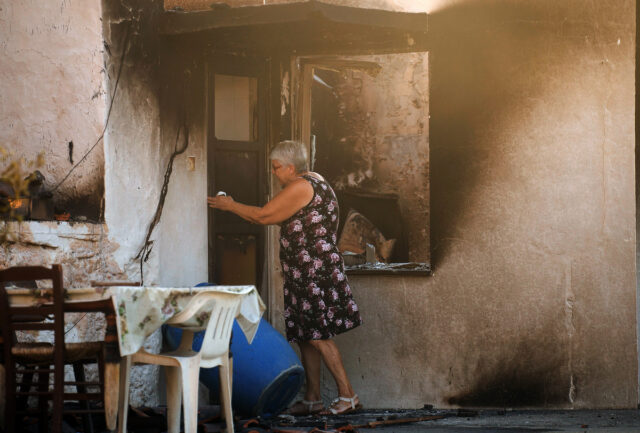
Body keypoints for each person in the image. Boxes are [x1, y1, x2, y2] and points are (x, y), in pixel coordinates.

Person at [207, 140, 363, 415]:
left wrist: (230, 205)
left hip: (313, 271)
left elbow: (263, 216)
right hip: (306, 271)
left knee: (319, 335)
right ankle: (313, 399)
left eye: (277, 168)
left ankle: (348, 396)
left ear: (292, 168)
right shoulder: (315, 180)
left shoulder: (301, 186)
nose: (274, 173)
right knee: (307, 335)